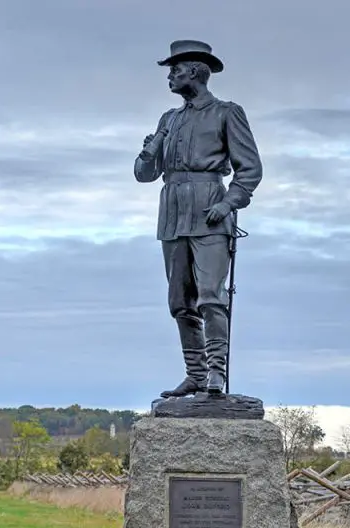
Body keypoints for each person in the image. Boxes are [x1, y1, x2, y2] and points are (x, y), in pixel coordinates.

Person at [134, 40, 263, 398]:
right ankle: (195, 373)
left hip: (209, 210)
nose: (170, 77)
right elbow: (145, 174)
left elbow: (249, 169)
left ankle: (216, 375)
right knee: (180, 301)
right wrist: (147, 153)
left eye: (174, 70)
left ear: (194, 71)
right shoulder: (168, 120)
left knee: (210, 296)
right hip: (172, 211)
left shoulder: (226, 112)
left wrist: (229, 204)